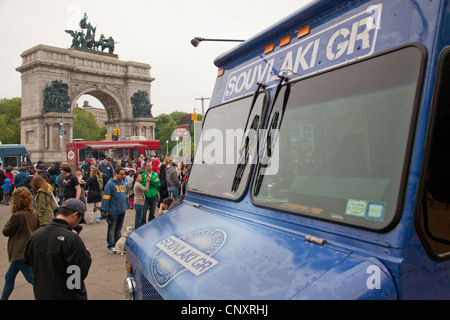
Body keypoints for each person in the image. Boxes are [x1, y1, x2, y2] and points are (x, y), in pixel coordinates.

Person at [24, 198, 91, 300]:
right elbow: (77, 276)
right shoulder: (72, 239)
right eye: (79, 220)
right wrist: (86, 254)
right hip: (67, 295)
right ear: (75, 215)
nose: (77, 224)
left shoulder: (36, 234)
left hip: (42, 293)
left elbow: (29, 261)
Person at [1, 188, 38, 300]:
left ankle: (49, 294)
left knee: (32, 278)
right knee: (9, 276)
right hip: (28, 248)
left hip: (19, 250)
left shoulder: (18, 216)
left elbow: (6, 231)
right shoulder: (33, 213)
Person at [101, 167, 129, 254]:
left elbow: (126, 194)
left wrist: (126, 204)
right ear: (116, 174)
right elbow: (106, 198)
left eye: (123, 174)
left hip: (122, 210)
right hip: (113, 211)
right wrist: (104, 210)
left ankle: (118, 244)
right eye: (121, 174)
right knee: (112, 228)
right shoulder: (110, 185)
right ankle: (111, 245)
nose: (122, 176)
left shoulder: (123, 183)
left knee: (118, 229)